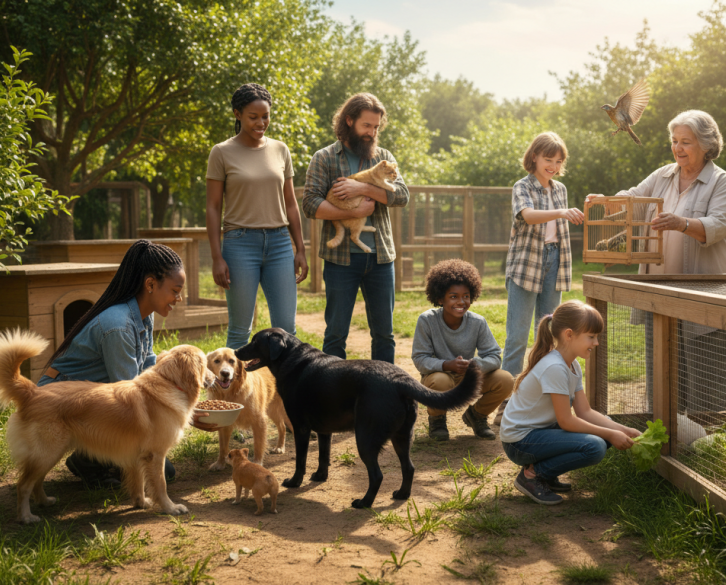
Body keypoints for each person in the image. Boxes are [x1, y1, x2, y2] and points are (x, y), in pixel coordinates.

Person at [586, 109, 726, 413]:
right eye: (674, 141)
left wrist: (683, 223)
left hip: (702, 291)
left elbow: (721, 224)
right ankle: (665, 425)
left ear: (706, 145)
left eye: (686, 142)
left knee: (703, 364)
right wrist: (608, 200)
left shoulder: (720, 180)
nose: (677, 148)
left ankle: (707, 429)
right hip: (659, 288)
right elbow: (634, 198)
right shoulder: (663, 175)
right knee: (663, 363)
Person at [38, 240, 218, 489]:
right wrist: (186, 412)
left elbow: (150, 366)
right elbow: (130, 390)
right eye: (175, 290)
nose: (179, 298)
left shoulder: (145, 314)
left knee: (159, 463)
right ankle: (89, 460)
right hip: (60, 401)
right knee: (157, 463)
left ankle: (94, 456)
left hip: (96, 397)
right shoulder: (118, 327)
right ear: (150, 285)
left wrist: (185, 405)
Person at [500, 300, 642, 505]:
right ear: (569, 335)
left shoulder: (572, 364)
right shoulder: (555, 367)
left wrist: (623, 430)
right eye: (591, 336)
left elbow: (585, 412)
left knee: (607, 428)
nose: (596, 343)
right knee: (595, 446)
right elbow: (566, 421)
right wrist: (610, 433)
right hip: (519, 442)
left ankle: (546, 474)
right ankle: (532, 476)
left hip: (540, 431)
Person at [301, 93, 409, 363]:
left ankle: (384, 387)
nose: (372, 133)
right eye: (366, 125)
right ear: (349, 121)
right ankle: (332, 388)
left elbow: (402, 196)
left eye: (376, 127)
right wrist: (353, 211)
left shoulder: (384, 157)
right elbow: (311, 205)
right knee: (336, 334)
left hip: (381, 258)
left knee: (384, 334)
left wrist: (362, 188)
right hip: (340, 260)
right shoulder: (324, 158)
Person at [206, 83, 308, 350]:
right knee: (240, 330)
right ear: (237, 114)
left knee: (287, 332)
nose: (261, 123)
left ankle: (286, 380)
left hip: (280, 244)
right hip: (239, 244)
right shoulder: (221, 152)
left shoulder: (281, 149)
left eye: (265, 116)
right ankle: (230, 380)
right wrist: (217, 257)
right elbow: (213, 207)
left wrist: (300, 248)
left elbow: (290, 203)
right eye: (253, 117)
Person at [494, 132, 583, 425]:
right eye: (548, 159)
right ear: (534, 157)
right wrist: (562, 212)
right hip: (526, 263)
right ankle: (505, 403)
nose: (553, 166)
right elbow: (529, 215)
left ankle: (541, 400)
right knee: (517, 335)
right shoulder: (522, 186)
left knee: (549, 333)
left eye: (558, 161)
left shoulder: (560, 189)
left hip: (555, 261)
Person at [411, 259, 514, 441]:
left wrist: (474, 365)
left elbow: (494, 356)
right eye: (453, 296)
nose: (461, 301)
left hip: (469, 376)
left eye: (466, 296)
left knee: (505, 380)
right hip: (440, 375)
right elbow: (420, 358)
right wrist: (446, 365)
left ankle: (476, 416)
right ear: (440, 298)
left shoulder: (477, 322)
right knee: (439, 382)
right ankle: (437, 420)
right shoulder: (427, 320)